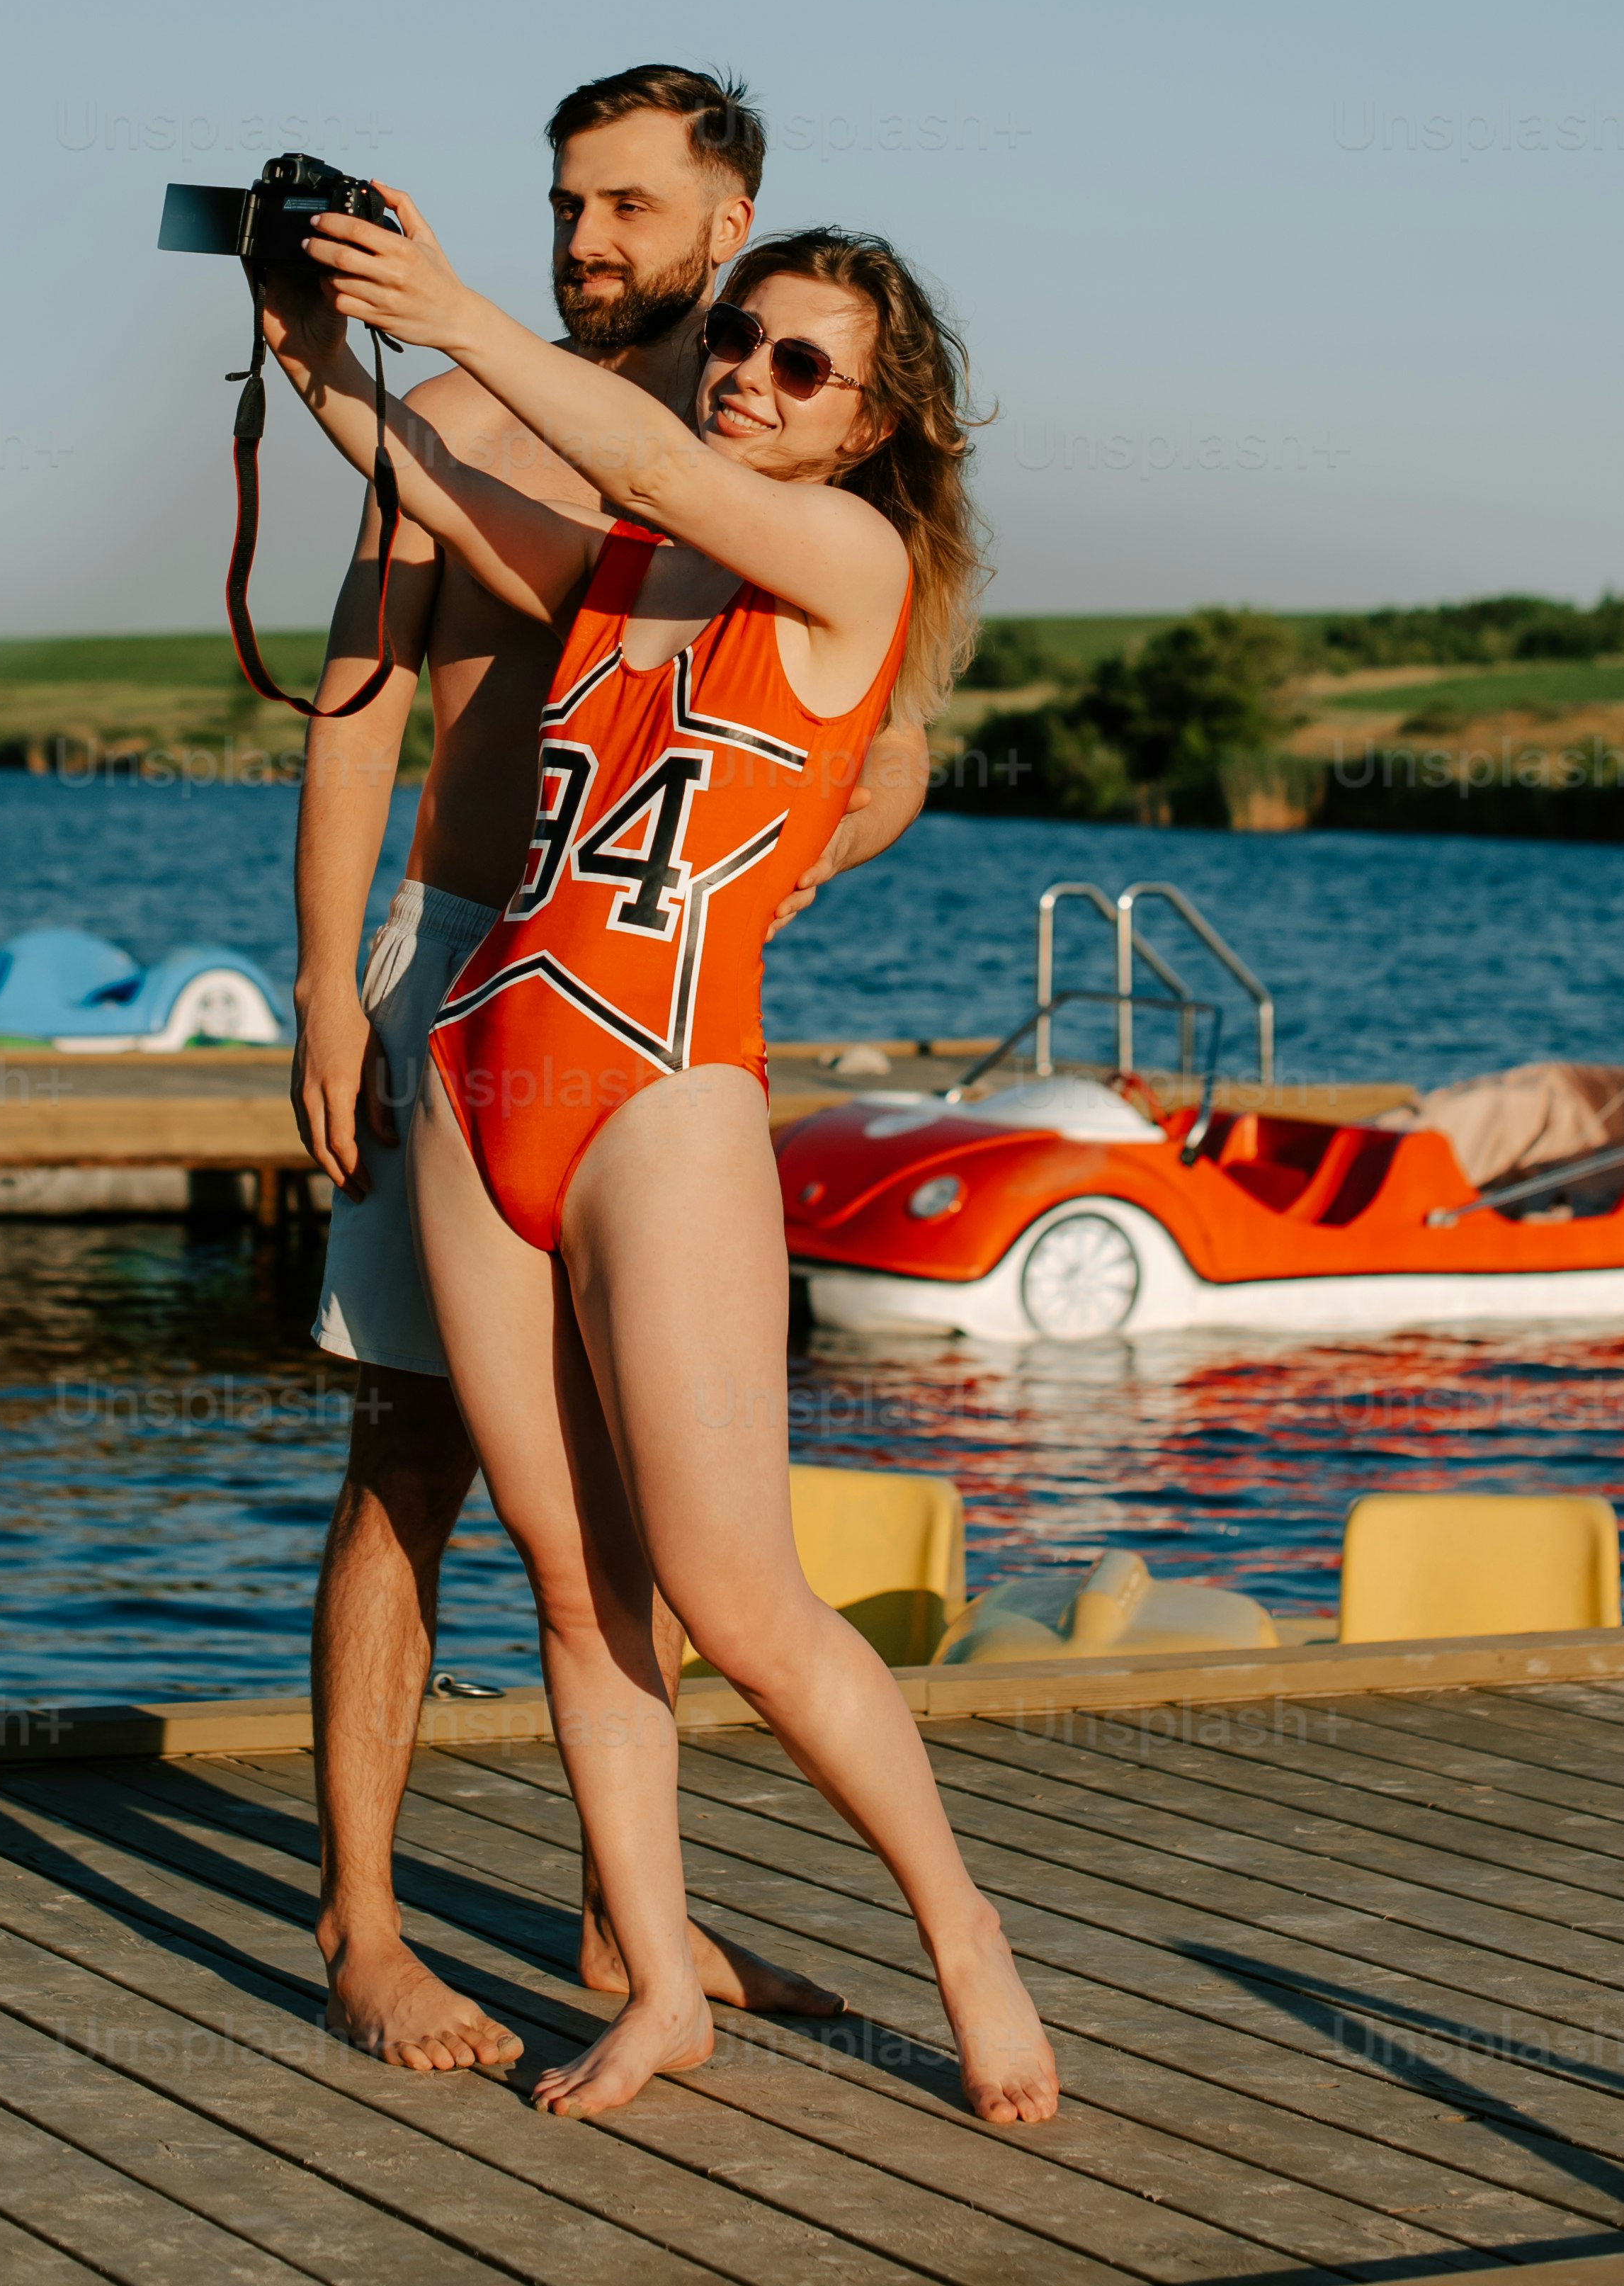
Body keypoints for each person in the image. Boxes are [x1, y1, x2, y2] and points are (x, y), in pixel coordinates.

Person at [270, 188, 1057, 2129]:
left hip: (661, 1096)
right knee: (569, 1581)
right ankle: (658, 1976)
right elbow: (433, 465)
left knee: (733, 1589)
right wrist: (311, 338)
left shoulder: (845, 559)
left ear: (869, 424)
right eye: (740, 342)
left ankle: (963, 1935)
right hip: (481, 1079)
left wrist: (447, 300)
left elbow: (614, 435)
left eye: (806, 366)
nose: (752, 378)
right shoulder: (628, 560)